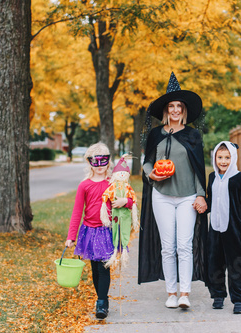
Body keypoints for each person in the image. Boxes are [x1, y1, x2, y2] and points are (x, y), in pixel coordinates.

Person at [138, 72, 208, 309]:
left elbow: (199, 167)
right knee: (167, 246)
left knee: (184, 245)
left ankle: (185, 293)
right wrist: (151, 174)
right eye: (171, 106)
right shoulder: (156, 135)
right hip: (162, 197)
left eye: (179, 106)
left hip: (187, 197)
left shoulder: (192, 135)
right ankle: (171, 292)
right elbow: (147, 161)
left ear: (184, 110)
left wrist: (201, 194)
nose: (175, 110)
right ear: (166, 110)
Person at [65, 142, 134, 320]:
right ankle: (101, 298)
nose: (100, 165)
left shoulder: (114, 183)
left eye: (103, 161)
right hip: (89, 231)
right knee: (95, 269)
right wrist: (71, 236)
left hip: (107, 231)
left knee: (104, 268)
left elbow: (131, 200)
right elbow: (77, 212)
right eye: (96, 161)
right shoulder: (84, 186)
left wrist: (124, 202)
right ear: (90, 163)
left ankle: (102, 302)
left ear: (108, 162)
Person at [206, 141, 241, 314]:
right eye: (220, 157)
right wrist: (201, 204)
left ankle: (239, 300)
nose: (223, 161)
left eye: (227, 158)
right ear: (215, 158)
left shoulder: (239, 178)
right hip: (215, 229)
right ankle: (218, 295)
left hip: (233, 231)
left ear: (233, 158)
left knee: (235, 265)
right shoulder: (212, 177)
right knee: (215, 263)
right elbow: (209, 200)